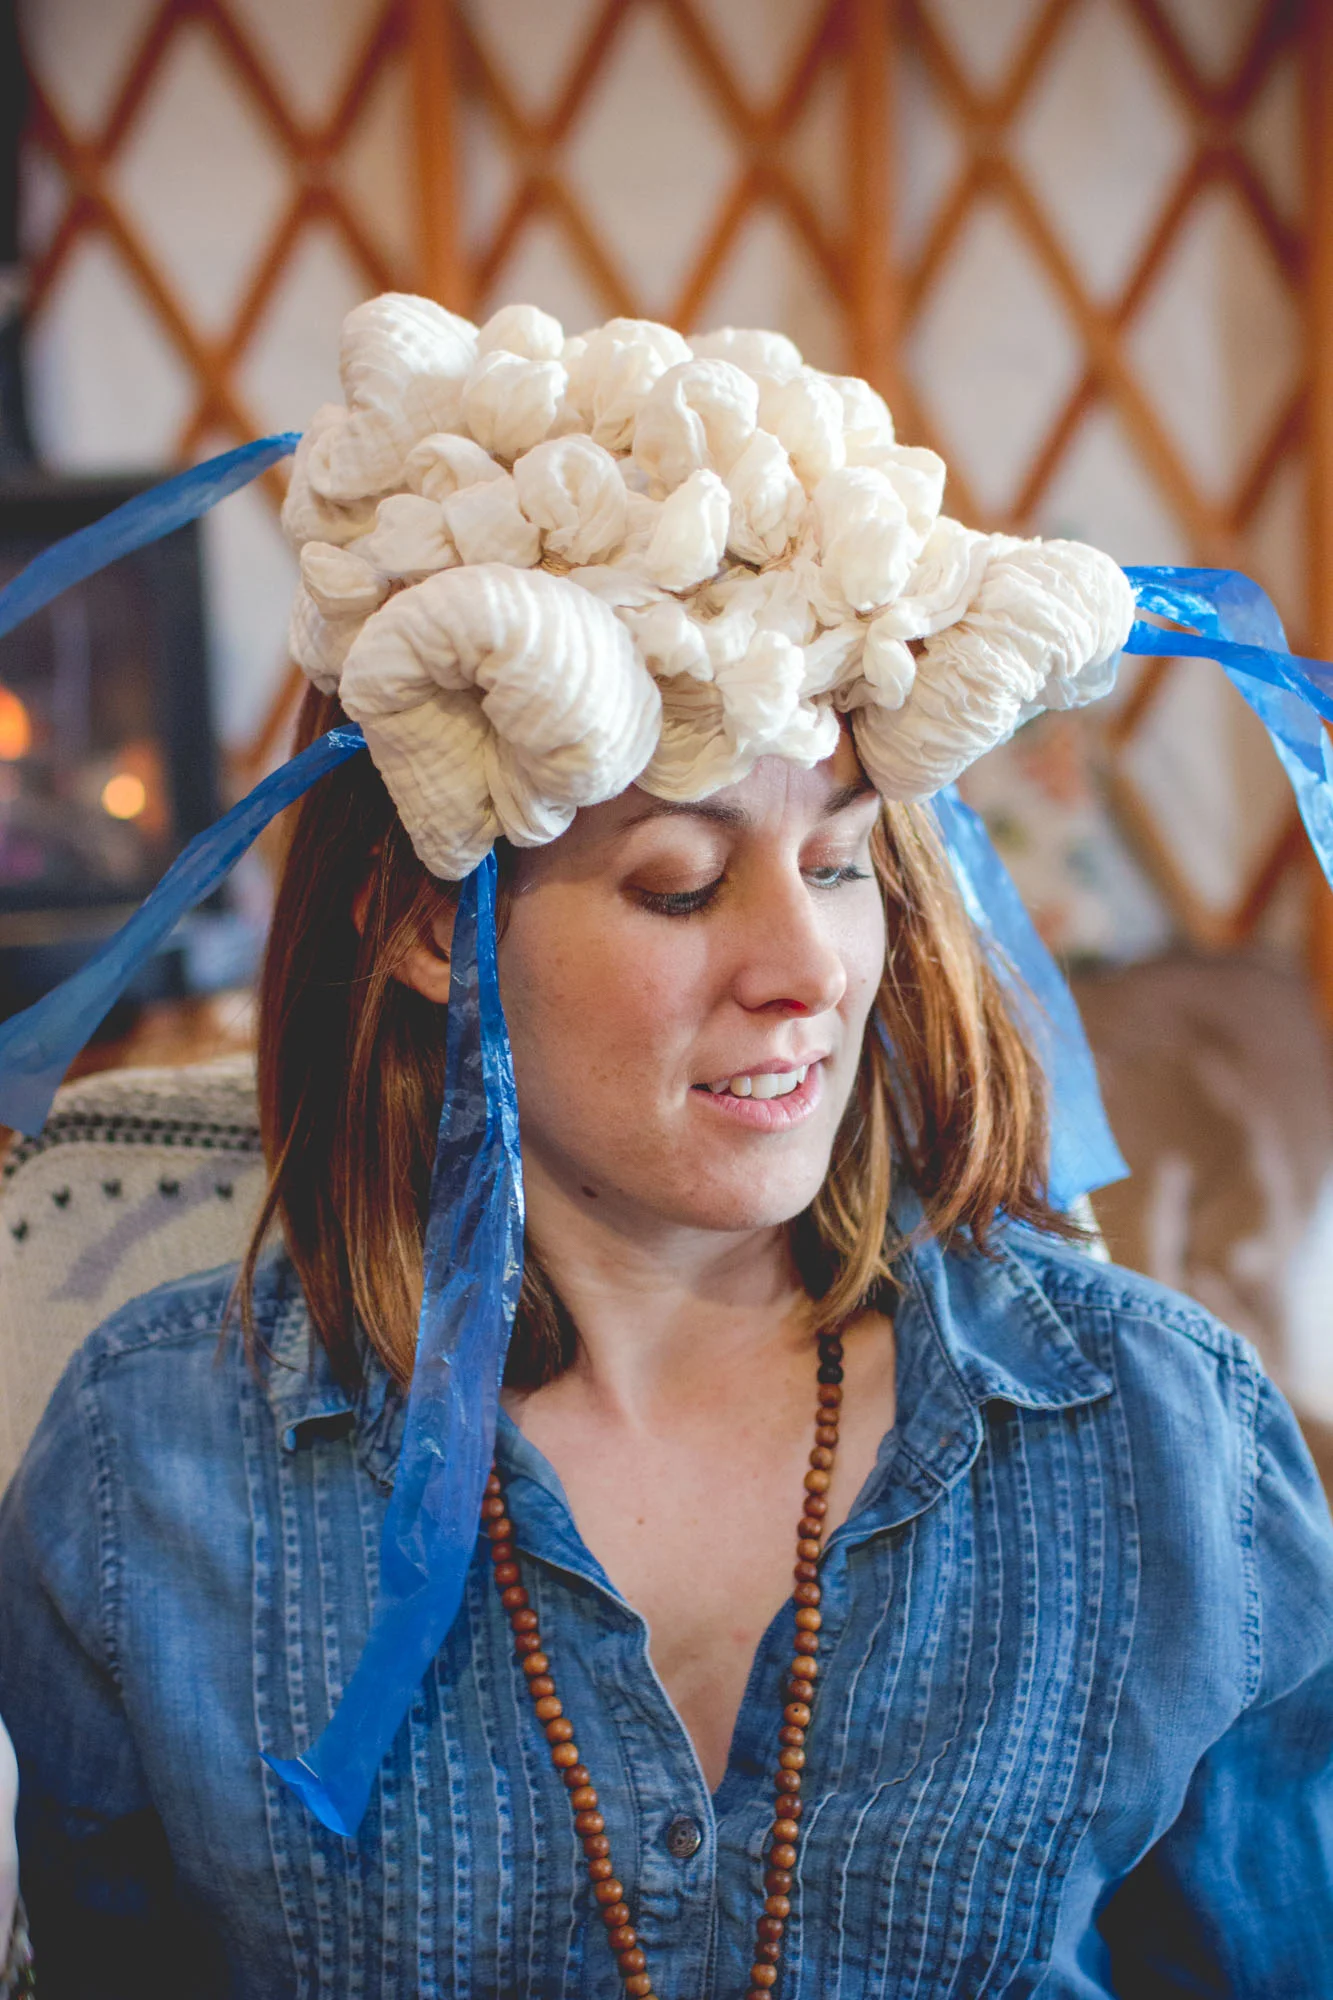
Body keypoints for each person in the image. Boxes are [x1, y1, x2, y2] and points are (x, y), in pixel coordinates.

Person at [0, 297, 1331, 1998]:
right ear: (426, 926)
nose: (805, 973)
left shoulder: (1168, 1445)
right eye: (681, 886)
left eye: (840, 866)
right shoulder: (151, 1477)